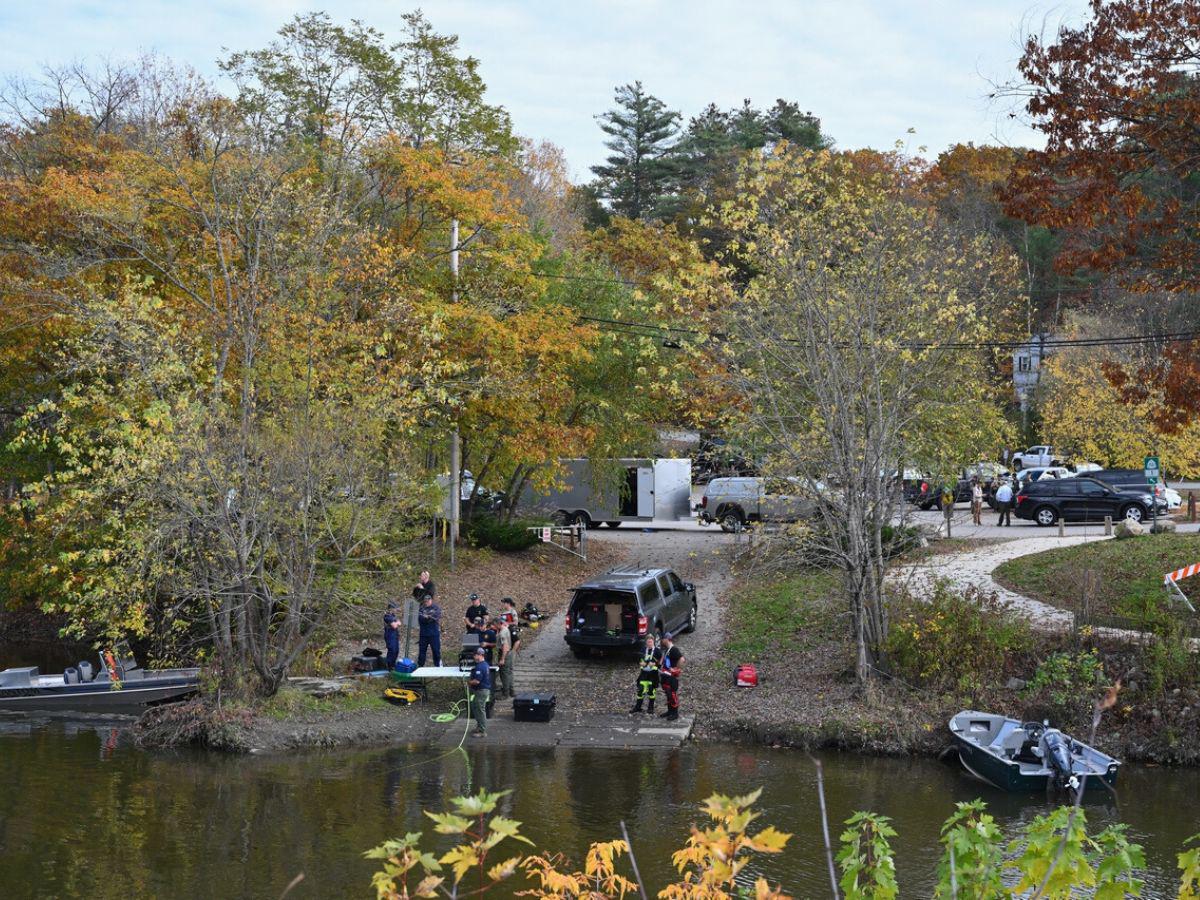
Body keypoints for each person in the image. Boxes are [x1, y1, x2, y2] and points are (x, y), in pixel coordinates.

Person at [630, 633, 661, 714]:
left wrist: (655, 664)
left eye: (650, 642)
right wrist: (641, 663)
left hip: (653, 674)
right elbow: (639, 659)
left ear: (653, 642)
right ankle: (638, 707)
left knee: (651, 690)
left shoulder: (657, 651)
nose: (649, 644)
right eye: (648, 642)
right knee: (641, 690)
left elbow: (660, 663)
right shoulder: (643, 649)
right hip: (644, 673)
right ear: (646, 642)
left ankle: (650, 708)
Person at [658, 633, 684, 721]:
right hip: (665, 675)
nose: (662, 641)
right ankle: (669, 711)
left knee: (672, 694)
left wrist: (676, 668)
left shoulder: (674, 649)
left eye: (663, 639)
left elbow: (682, 659)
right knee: (668, 693)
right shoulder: (667, 650)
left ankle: (675, 713)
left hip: (671, 676)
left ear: (667, 639)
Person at [467, 646, 491, 738]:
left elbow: (477, 681)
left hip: (481, 691)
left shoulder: (480, 667)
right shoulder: (484, 664)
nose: (474, 657)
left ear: (480, 655)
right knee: (475, 707)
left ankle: (482, 731)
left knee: (480, 710)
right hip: (480, 691)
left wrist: (468, 682)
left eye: (475, 655)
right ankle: (479, 726)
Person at [416, 593, 442, 668]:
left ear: (431, 600)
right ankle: (420, 666)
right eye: (425, 601)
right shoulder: (421, 608)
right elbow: (420, 619)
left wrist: (428, 617)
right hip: (424, 634)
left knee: (436, 651)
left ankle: (438, 666)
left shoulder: (436, 608)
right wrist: (427, 617)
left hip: (434, 634)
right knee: (422, 651)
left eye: (428, 600)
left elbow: (436, 617)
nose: (426, 602)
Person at [493, 614, 514, 699]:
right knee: (509, 673)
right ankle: (512, 691)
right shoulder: (505, 628)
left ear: (498, 624)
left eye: (494, 624)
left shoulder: (502, 633)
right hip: (509, 653)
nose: (494, 626)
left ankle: (505, 694)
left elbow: (505, 647)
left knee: (504, 674)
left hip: (505, 653)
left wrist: (502, 659)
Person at [383, 602, 401, 672]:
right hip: (389, 635)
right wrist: (396, 623)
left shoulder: (393, 616)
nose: (396, 610)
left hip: (395, 635)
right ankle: (389, 666)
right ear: (391, 608)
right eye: (395, 608)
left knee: (396, 651)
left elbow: (399, 623)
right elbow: (395, 625)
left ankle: (393, 665)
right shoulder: (387, 616)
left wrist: (396, 623)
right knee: (392, 650)